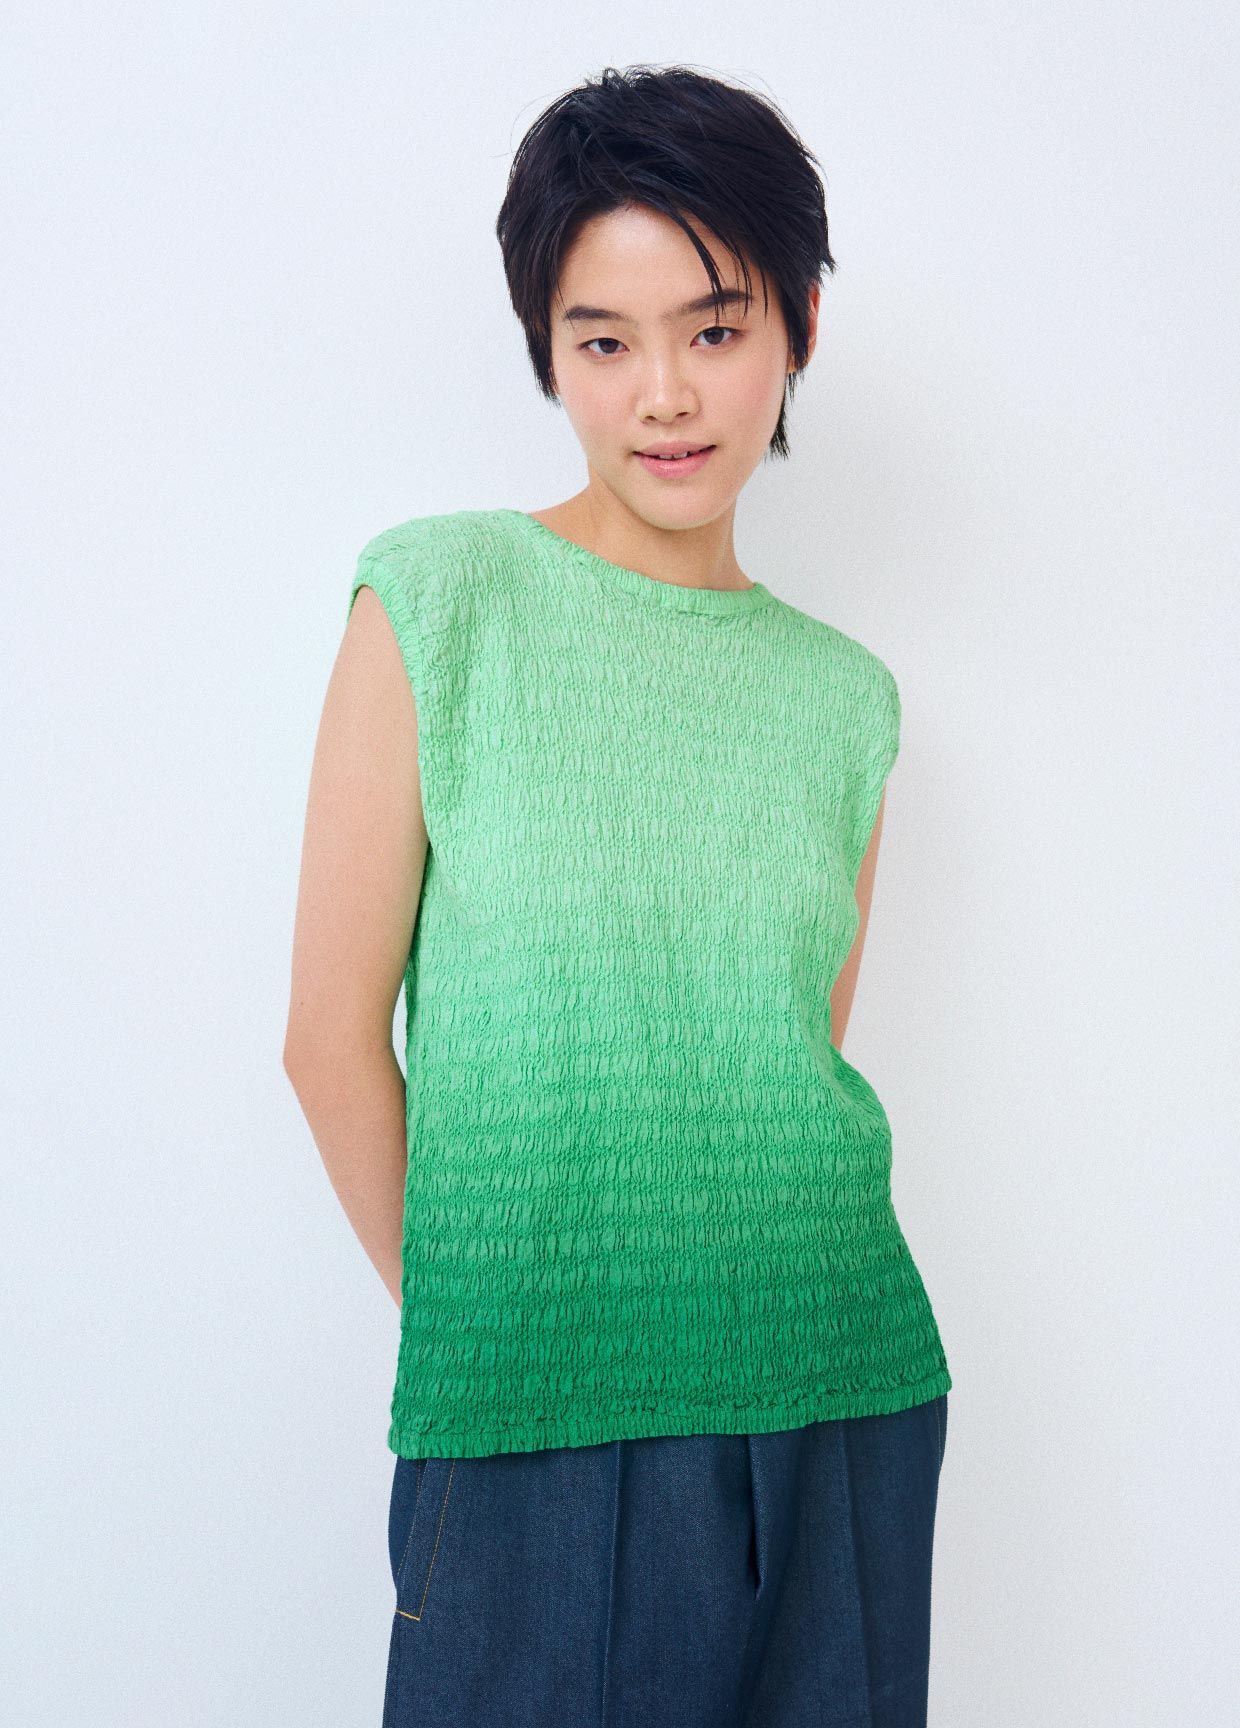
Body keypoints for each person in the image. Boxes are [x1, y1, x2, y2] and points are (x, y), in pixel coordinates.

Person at [284, 62, 953, 1728]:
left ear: (797, 323)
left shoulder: (845, 699)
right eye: (603, 342)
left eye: (716, 328)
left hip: (842, 1385)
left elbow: (784, 1058)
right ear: (549, 352)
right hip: (534, 1417)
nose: (664, 393)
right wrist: (500, 1314)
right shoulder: (441, 599)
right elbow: (327, 1041)